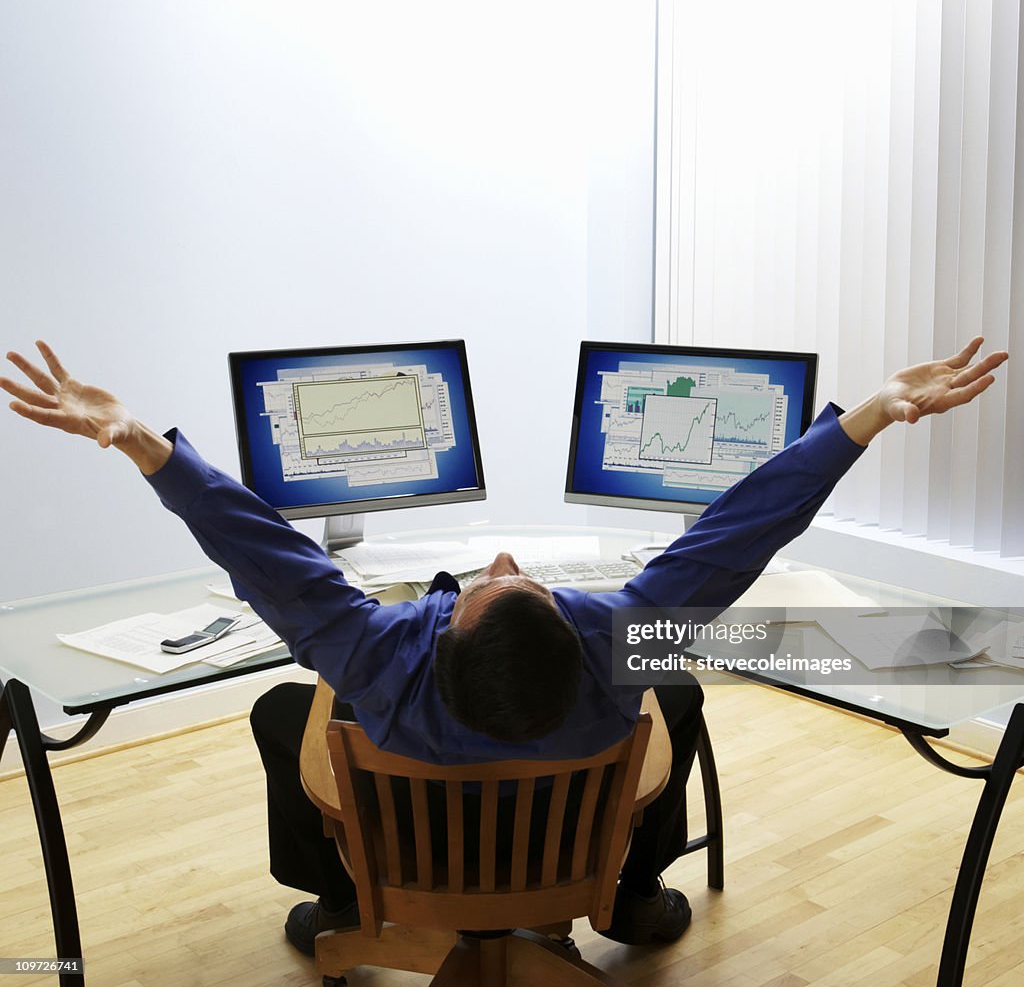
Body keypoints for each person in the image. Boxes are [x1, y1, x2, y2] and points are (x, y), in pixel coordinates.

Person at [1, 337, 1008, 955]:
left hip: (414, 850)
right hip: (566, 844)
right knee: (685, 702)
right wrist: (870, 414)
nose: (503, 560)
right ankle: (624, 898)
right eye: (516, 578)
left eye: (493, 581)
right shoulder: (623, 638)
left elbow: (253, 542)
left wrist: (137, 438)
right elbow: (743, 528)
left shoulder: (372, 649)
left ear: (438, 624)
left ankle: (343, 900)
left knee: (277, 713)